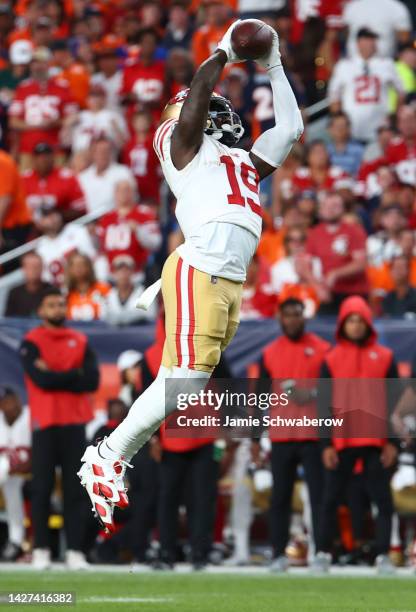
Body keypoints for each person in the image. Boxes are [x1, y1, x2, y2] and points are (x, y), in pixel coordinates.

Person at [78, 21, 304, 532]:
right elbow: (197, 98)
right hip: (200, 264)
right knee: (182, 379)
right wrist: (224, 51)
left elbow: (289, 131)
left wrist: (273, 65)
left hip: (229, 277)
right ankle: (108, 454)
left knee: (191, 379)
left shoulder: (240, 162)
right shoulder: (183, 148)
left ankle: (112, 453)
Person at [314, 296, 399, 575]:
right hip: (342, 441)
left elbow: (395, 403)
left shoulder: (385, 357)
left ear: (367, 323)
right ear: (343, 324)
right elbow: (323, 403)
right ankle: (323, 553)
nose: (355, 325)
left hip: (376, 442)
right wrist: (326, 444)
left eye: (360, 320)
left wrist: (392, 443)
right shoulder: (331, 359)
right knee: (329, 500)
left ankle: (383, 555)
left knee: (383, 501)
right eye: (350, 320)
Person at [20, 287, 99, 570]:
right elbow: (41, 380)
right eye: (51, 305)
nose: (57, 309)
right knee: (41, 488)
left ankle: (75, 551)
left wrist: (55, 374)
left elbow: (91, 380)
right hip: (45, 423)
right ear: (41, 310)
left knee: (75, 490)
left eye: (60, 304)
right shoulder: (31, 342)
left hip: (74, 424)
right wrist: (71, 374)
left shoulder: (80, 340)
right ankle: (40, 548)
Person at [255, 298, 330, 571]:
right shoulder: (270, 353)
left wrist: (309, 394)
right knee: (280, 498)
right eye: (287, 315)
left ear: (304, 317)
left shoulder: (323, 349)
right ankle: (278, 554)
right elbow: (259, 398)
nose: (292, 320)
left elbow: (336, 390)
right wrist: (254, 438)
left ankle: (321, 552)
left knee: (319, 497)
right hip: (282, 435)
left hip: (313, 435)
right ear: (280, 319)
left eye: (297, 315)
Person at [329, 28, 404, 144]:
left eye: (373, 40)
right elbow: (334, 96)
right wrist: (341, 124)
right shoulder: (344, 65)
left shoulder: (386, 64)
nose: (372, 43)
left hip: (381, 129)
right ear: (359, 43)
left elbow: (401, 92)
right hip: (352, 129)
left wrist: (394, 116)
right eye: (368, 39)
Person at [8, 46, 77, 167]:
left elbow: (73, 116)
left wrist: (57, 122)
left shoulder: (62, 86)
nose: (38, 66)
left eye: (41, 62)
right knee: (26, 182)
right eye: (35, 62)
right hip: (28, 148)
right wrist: (36, 125)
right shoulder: (23, 88)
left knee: (57, 182)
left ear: (48, 64)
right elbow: (13, 121)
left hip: (55, 146)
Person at [306, 192, 368, 314]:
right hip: (327, 293)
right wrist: (317, 286)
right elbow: (304, 264)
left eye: (335, 206)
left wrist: (335, 274)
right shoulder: (314, 233)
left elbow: (360, 263)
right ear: (320, 209)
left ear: (343, 209)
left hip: (353, 292)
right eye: (326, 206)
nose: (330, 210)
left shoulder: (354, 231)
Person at [96, 180, 161, 280]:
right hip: (111, 276)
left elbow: (156, 242)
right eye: (120, 190)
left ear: (133, 192)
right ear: (115, 193)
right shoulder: (106, 218)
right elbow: (100, 249)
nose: (123, 194)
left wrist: (139, 230)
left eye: (127, 190)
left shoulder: (144, 214)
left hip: (137, 274)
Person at [0, 386, 31, 561]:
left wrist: (16, 468)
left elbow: (40, 455)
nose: (7, 406)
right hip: (9, 477)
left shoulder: (30, 416)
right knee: (9, 481)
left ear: (18, 400)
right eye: (3, 402)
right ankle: (15, 540)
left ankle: (16, 539)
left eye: (10, 401)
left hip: (31, 475)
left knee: (9, 479)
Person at [22, 142, 86, 224]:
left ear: (53, 158)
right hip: (30, 228)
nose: (43, 159)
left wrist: (57, 214)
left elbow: (81, 210)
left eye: (46, 155)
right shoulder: (23, 178)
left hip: (61, 228)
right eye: (39, 156)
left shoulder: (67, 177)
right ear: (33, 159)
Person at [35, 206, 96, 286]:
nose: (52, 218)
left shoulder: (78, 231)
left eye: (54, 213)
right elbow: (46, 279)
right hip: (62, 292)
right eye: (46, 216)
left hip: (88, 285)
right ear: (38, 223)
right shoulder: (40, 249)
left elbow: (93, 259)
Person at [62, 84, 128, 154]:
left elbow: (123, 145)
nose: (95, 99)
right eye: (92, 96)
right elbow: (66, 143)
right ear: (87, 99)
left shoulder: (114, 116)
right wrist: (67, 126)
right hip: (81, 158)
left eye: (98, 96)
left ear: (105, 99)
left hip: (105, 159)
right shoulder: (78, 116)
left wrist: (116, 128)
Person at [78, 137, 135, 213]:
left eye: (106, 151)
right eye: (98, 151)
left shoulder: (123, 172)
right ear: (92, 153)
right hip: (87, 220)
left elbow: (132, 199)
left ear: (111, 153)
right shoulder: (82, 177)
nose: (102, 154)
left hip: (115, 218)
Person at [343, 0, 412, 59]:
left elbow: (404, 40)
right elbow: (344, 34)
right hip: (353, 63)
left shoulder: (397, 7)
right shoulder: (352, 6)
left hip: (385, 64)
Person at [104, 255, 157, 326]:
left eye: (127, 269)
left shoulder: (146, 294)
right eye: (119, 269)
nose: (123, 273)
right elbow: (104, 318)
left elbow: (150, 318)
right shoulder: (109, 295)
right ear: (114, 273)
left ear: (133, 272)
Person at [65, 252, 110, 321]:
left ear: (89, 267)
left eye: (82, 264)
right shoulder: (66, 294)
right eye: (74, 265)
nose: (78, 268)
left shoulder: (103, 289)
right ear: (69, 269)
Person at [5, 252, 52, 317]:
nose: (34, 270)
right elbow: (8, 320)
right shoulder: (14, 293)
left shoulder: (52, 291)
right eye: (30, 267)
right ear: (23, 269)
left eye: (37, 266)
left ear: (42, 268)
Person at [326, 112, 364, 178]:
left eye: (343, 126)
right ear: (330, 129)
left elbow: (360, 174)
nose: (340, 130)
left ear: (349, 128)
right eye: (337, 126)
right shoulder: (325, 151)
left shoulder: (359, 150)